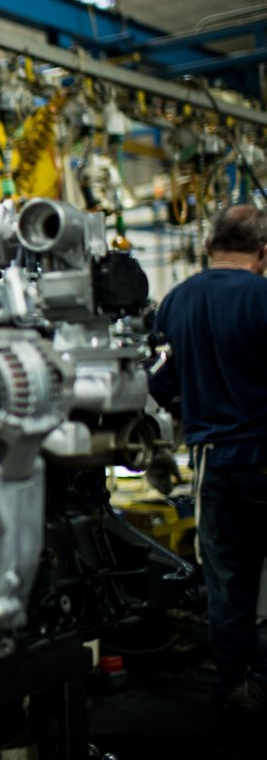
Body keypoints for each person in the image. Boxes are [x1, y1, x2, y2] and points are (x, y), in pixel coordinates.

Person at [149, 204, 267, 716]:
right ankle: (263, 683)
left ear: (207, 246)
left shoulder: (174, 303)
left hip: (211, 461)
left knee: (225, 582)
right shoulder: (264, 297)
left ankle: (230, 688)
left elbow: (159, 386)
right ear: (263, 253)